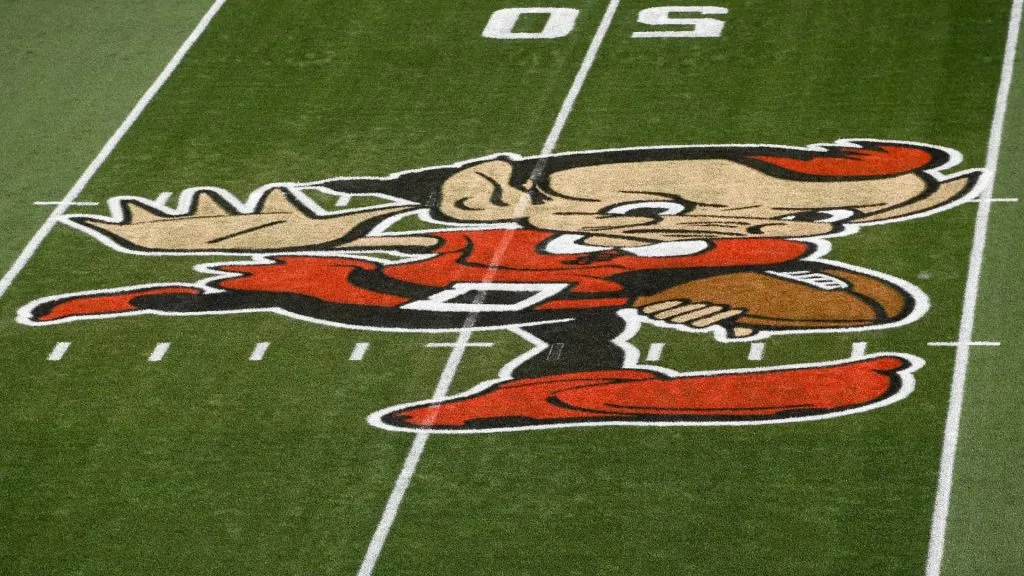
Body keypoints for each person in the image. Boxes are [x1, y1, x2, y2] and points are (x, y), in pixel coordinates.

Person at [20, 139, 981, 432]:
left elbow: (870, 303)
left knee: (586, 316)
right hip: (398, 282)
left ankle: (577, 382)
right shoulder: (487, 218)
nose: (516, 196)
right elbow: (445, 196)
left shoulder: (710, 252)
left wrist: (764, 305)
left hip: (548, 306)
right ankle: (131, 299)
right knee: (271, 280)